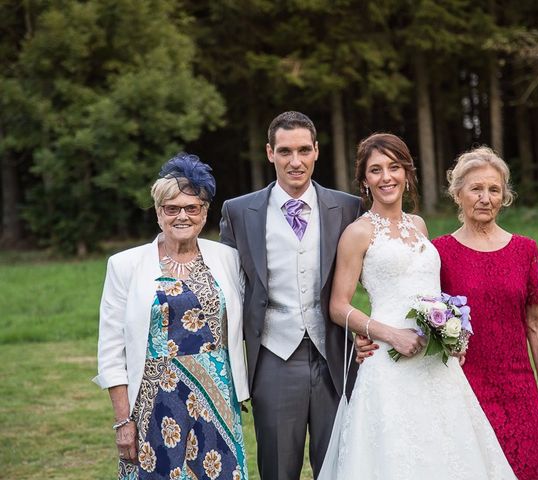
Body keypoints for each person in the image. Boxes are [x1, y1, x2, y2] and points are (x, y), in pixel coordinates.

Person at [327, 133, 516, 479]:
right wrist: (387, 334)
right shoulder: (359, 233)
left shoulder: (419, 226)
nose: (386, 177)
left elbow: (430, 293)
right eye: (375, 170)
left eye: (394, 167)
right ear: (365, 181)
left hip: (436, 362)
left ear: (407, 172)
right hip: (388, 362)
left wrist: (453, 334)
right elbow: (338, 306)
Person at [219, 111, 362, 479]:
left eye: (303, 150)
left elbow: (375, 277)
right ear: (270, 153)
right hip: (273, 356)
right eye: (285, 151)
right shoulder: (238, 212)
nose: (295, 162)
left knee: (340, 464)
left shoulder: (347, 208)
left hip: (336, 355)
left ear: (316, 151)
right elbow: (227, 290)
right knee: (279, 468)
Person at [94, 154, 249, 479]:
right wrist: (124, 421)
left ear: (205, 212)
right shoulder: (124, 265)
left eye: (191, 208)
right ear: (158, 212)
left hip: (217, 400)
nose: (182, 216)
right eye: (172, 208)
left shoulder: (228, 259)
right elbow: (111, 351)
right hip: (155, 404)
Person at [432, 146, 538, 479]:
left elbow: (537, 323)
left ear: (504, 196)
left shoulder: (525, 250)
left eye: (494, 189)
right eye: (476, 188)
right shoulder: (440, 251)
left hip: (520, 387)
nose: (485, 198)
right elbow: (422, 316)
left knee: (536, 470)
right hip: (464, 387)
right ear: (458, 193)